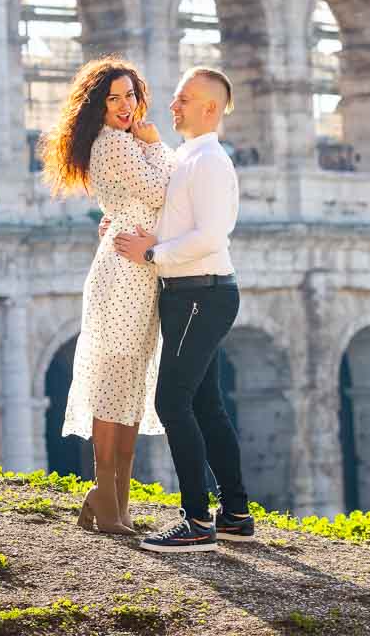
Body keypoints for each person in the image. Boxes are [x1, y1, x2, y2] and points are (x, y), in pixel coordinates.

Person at [114, 66, 254, 553]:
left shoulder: (210, 162)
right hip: (192, 294)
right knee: (206, 404)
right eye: (175, 98)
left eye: (183, 99)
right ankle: (234, 514)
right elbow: (176, 220)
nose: (172, 106)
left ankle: (197, 521)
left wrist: (153, 254)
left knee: (171, 401)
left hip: (202, 293)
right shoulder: (187, 159)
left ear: (210, 109)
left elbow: (212, 235)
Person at [39, 55, 176, 535]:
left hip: (137, 270)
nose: (124, 105)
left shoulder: (121, 143)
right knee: (115, 385)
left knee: (132, 388)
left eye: (130, 96)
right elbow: (166, 192)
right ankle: (103, 493)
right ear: (98, 107)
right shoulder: (118, 145)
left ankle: (116, 500)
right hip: (123, 273)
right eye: (113, 98)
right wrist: (157, 143)